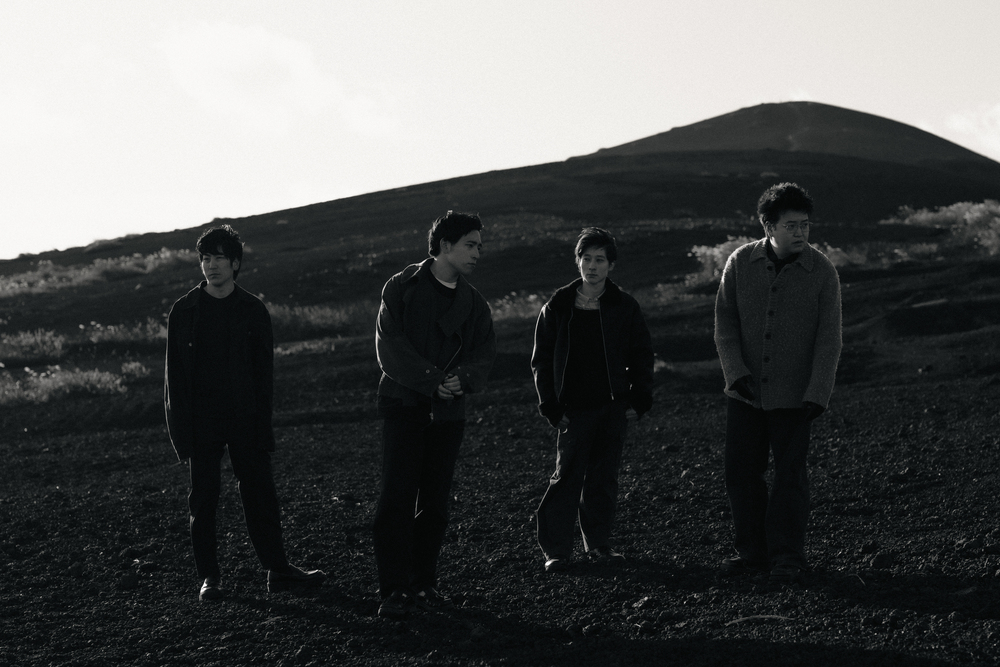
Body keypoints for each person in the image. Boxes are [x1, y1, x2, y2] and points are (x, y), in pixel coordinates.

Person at [164, 225, 326, 601]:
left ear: (235, 263)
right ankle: (209, 578)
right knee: (204, 498)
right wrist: (181, 432)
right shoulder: (184, 310)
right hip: (202, 419)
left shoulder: (253, 310)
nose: (211, 265)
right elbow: (174, 377)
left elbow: (263, 375)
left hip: (244, 416)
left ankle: (278, 570)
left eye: (219, 258)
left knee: (260, 493)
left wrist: (262, 427)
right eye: (206, 258)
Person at [714, 182, 842, 585]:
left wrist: (818, 392)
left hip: (796, 396)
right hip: (745, 394)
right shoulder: (740, 262)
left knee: (790, 478)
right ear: (768, 226)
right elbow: (725, 324)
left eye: (805, 224)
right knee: (741, 474)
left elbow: (829, 338)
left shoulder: (822, 271)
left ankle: (788, 556)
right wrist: (735, 373)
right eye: (791, 225)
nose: (801, 232)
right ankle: (752, 553)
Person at [372, 211, 497, 619]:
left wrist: (463, 379)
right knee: (396, 499)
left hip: (448, 414)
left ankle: (424, 583)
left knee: (435, 504)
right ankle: (394, 589)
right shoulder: (402, 286)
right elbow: (389, 344)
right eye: (470, 245)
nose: (477, 253)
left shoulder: (474, 303)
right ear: (445, 245)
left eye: (479, 247)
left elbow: (484, 352)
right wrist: (431, 380)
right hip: (404, 407)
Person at [531, 227, 654, 573]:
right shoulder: (558, 306)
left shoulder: (624, 306)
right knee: (566, 477)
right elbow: (541, 361)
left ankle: (599, 545)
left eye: (600, 260)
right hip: (573, 410)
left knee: (603, 478)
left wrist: (640, 398)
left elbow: (641, 354)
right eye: (586, 258)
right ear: (578, 261)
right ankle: (556, 551)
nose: (592, 266)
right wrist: (550, 405)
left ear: (611, 265)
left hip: (613, 406)